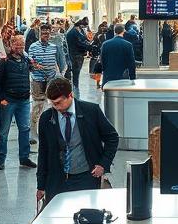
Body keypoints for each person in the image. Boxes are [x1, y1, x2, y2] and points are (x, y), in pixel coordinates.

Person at [35, 77, 119, 205]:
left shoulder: (91, 111)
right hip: (57, 180)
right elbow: (43, 152)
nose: (56, 107)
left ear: (70, 95)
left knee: (85, 217)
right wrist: (41, 185)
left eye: (58, 103)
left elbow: (112, 137)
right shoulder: (46, 118)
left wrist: (103, 164)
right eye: (53, 103)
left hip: (86, 177)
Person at [0, 35, 36, 171]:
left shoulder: (25, 60)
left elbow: (30, 71)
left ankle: (24, 157)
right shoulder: (4, 62)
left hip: (23, 100)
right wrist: (0, 99)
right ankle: (0, 160)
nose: (20, 48)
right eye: (17, 45)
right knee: (3, 132)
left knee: (25, 129)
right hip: (8, 101)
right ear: (11, 45)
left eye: (22, 46)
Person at [28, 24, 67, 137]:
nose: (45, 35)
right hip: (37, 79)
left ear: (50, 34)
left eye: (47, 33)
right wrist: (35, 66)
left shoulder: (54, 47)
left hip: (51, 79)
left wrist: (60, 77)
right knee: (37, 105)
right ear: (39, 33)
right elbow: (30, 62)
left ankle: (49, 128)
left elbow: (62, 63)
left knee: (52, 103)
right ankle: (34, 131)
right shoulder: (33, 47)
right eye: (43, 33)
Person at [66, 18, 94, 86]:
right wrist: (89, 47)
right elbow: (79, 43)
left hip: (78, 54)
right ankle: (75, 87)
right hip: (75, 54)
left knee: (77, 72)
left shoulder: (78, 31)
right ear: (80, 25)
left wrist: (88, 43)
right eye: (84, 26)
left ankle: (75, 86)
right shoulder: (74, 32)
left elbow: (83, 39)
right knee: (76, 72)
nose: (84, 28)